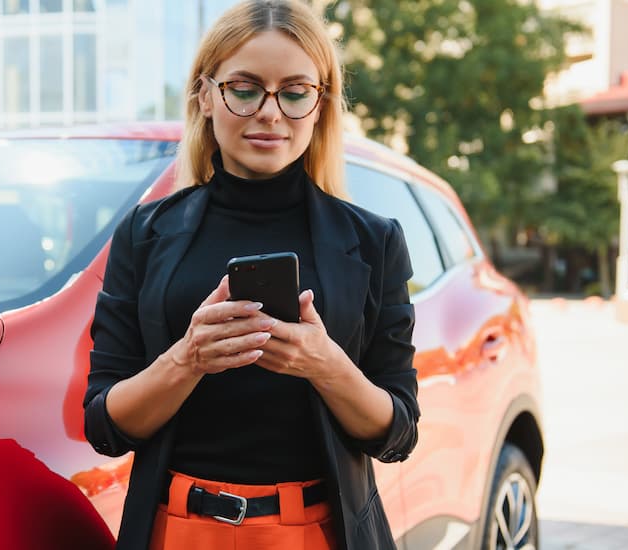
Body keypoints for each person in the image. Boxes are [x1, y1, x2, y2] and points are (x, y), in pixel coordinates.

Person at [83, 1, 419, 549]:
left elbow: (398, 432)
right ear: (206, 97)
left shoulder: (374, 240)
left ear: (320, 104)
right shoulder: (144, 234)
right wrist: (187, 358)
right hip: (178, 531)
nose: (270, 112)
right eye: (244, 88)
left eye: (294, 91)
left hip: (319, 533)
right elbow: (104, 425)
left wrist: (326, 365)